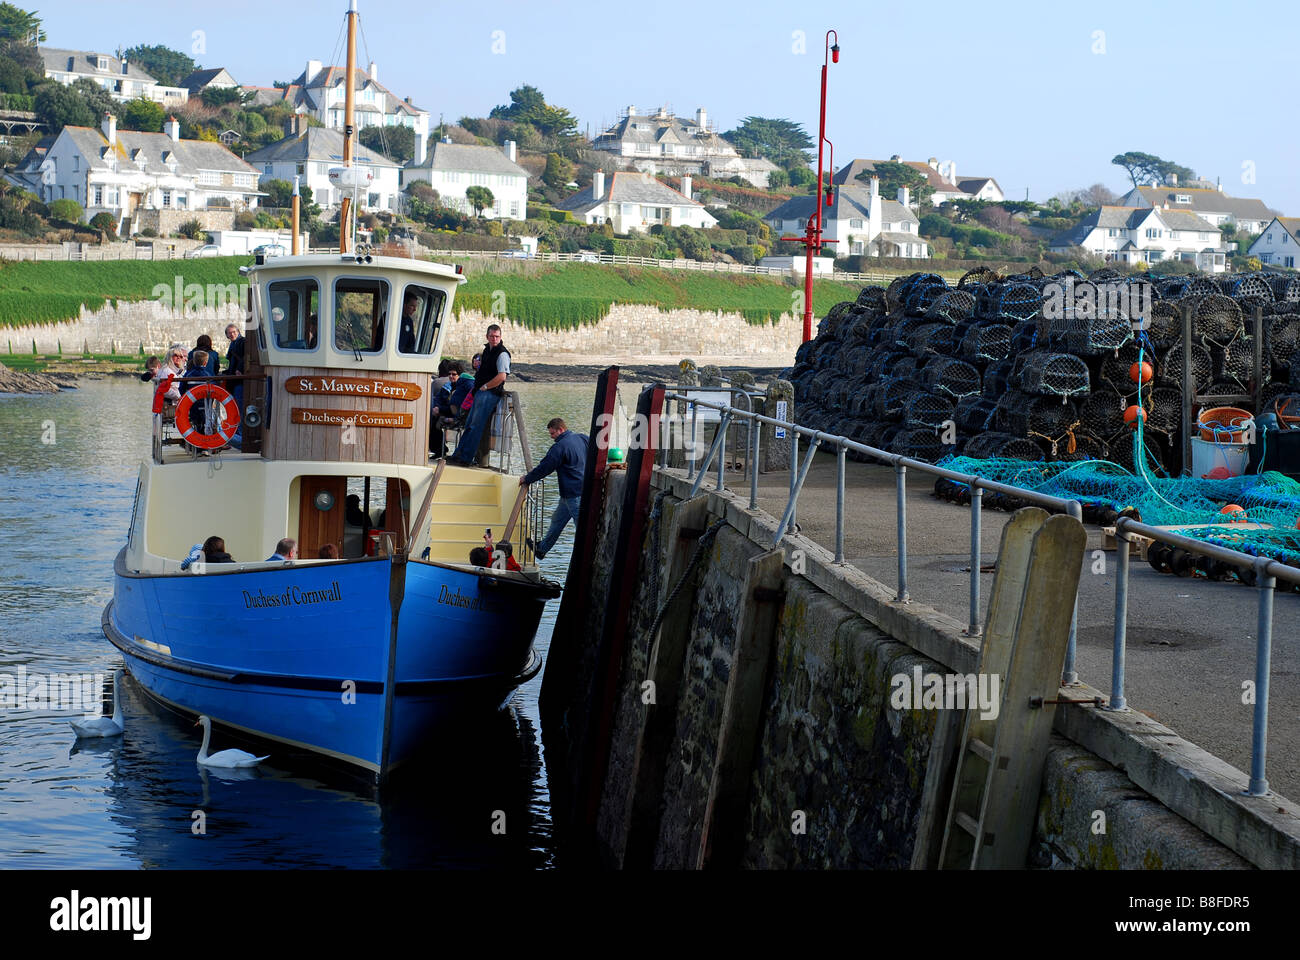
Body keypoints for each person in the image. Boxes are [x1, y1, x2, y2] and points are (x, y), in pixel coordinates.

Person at [520, 417, 589, 560]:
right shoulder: (582, 438)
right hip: (579, 491)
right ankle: (542, 549)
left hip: (573, 494)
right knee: (557, 521)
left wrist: (527, 479)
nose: (551, 437)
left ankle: (586, 556)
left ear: (560, 430)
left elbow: (544, 468)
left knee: (582, 528)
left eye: (552, 434)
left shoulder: (559, 447)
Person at [449, 327, 509, 466]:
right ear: (487, 336)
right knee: (470, 424)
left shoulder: (502, 354)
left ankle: (466, 458)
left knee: (475, 426)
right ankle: (459, 455)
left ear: (500, 337)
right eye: (492, 336)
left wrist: (486, 387)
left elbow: (502, 376)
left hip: (490, 393)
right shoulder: (487, 351)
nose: (495, 339)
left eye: (497, 336)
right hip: (480, 392)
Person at [429, 361, 463, 457]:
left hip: (456, 414)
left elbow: (454, 406)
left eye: (454, 374)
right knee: (433, 423)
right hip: (446, 412)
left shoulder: (461, 388)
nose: (451, 376)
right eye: (449, 374)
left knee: (434, 423)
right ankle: (440, 450)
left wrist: (439, 410)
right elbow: (439, 399)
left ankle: (441, 450)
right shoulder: (447, 386)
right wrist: (436, 407)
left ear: (459, 375)